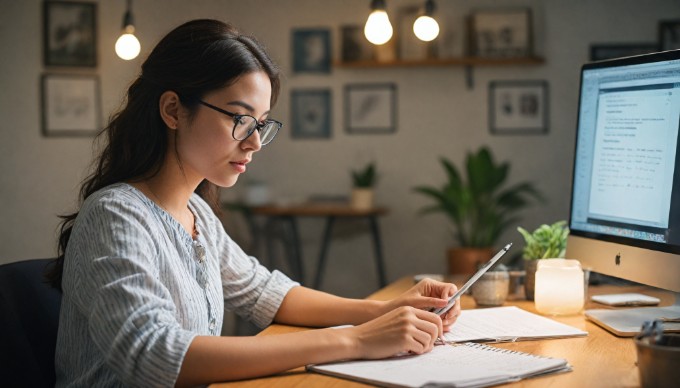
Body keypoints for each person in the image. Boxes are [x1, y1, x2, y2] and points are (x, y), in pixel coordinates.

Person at [47, 19, 461, 387]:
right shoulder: (115, 214)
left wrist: (384, 310)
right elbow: (157, 355)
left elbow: (267, 293)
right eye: (240, 118)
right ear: (173, 110)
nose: (255, 141)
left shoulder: (198, 215)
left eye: (261, 124)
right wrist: (353, 340)